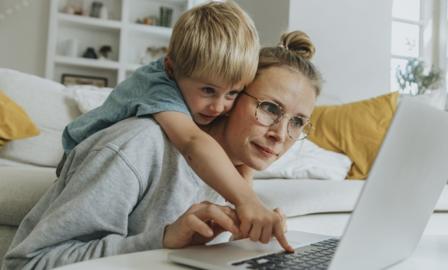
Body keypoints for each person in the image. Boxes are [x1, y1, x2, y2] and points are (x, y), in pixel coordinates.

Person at [2, 31, 322, 270]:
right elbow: (28, 263)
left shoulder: (235, 174)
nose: (281, 134)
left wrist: (243, 248)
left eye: (297, 122)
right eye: (269, 108)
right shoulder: (136, 146)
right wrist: (163, 240)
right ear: (232, 95)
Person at [57, 1, 282, 244]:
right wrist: (247, 201)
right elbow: (192, 142)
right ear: (171, 69)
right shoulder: (159, 86)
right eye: (208, 90)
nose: (219, 107)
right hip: (80, 158)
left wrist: (246, 202)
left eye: (232, 94)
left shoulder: (195, 80)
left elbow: (239, 158)